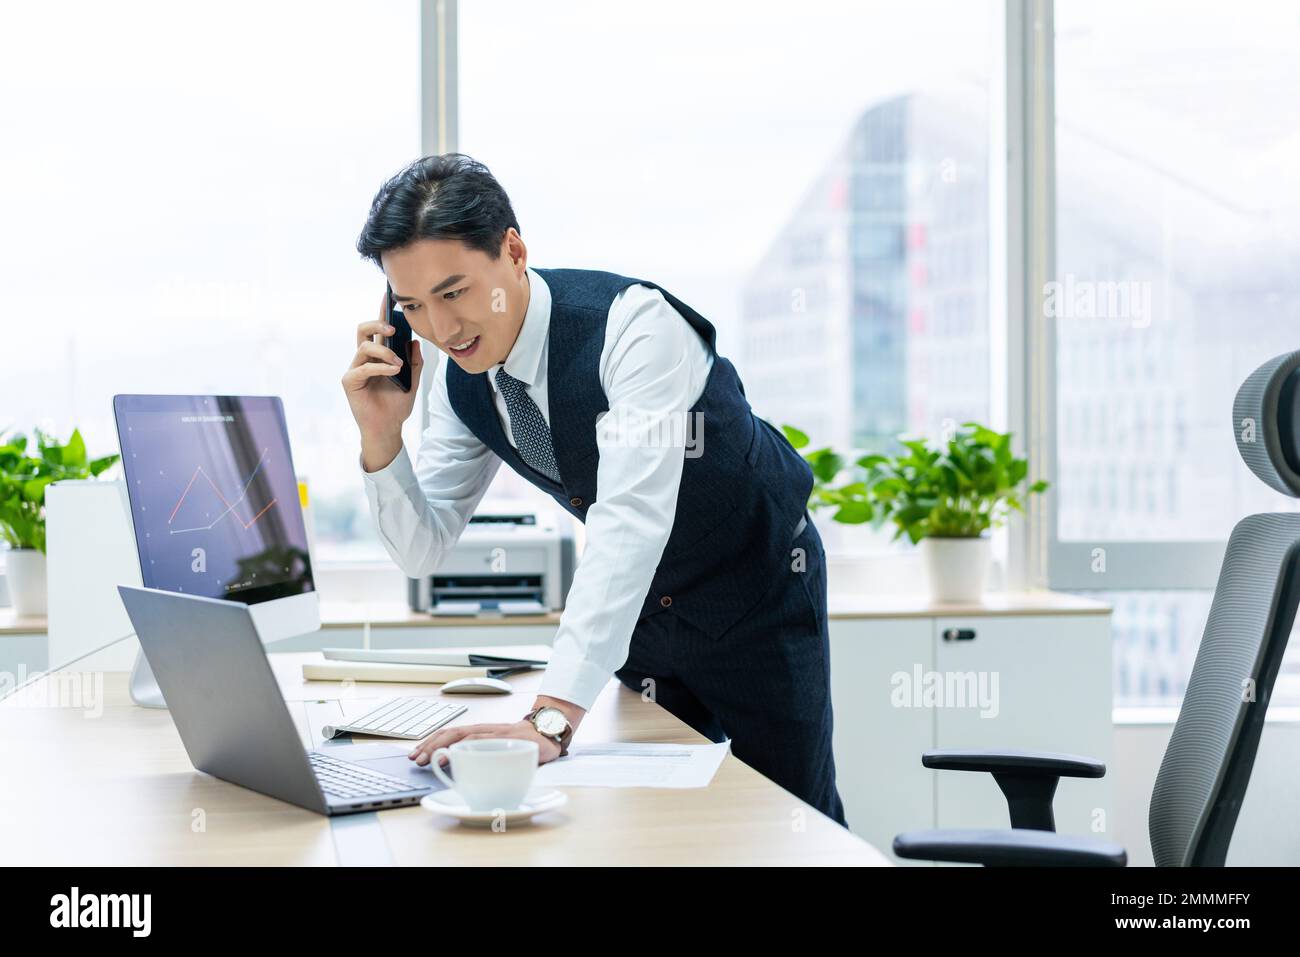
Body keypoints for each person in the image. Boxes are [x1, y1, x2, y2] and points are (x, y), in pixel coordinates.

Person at [341, 153, 846, 825]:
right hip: (643, 616)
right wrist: (382, 439)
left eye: (454, 291)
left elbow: (629, 520)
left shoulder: (636, 327)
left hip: (757, 592)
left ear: (513, 251)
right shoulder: (460, 382)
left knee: (794, 826)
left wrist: (551, 717)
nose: (441, 328)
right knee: (649, 823)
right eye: (412, 306)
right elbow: (421, 550)